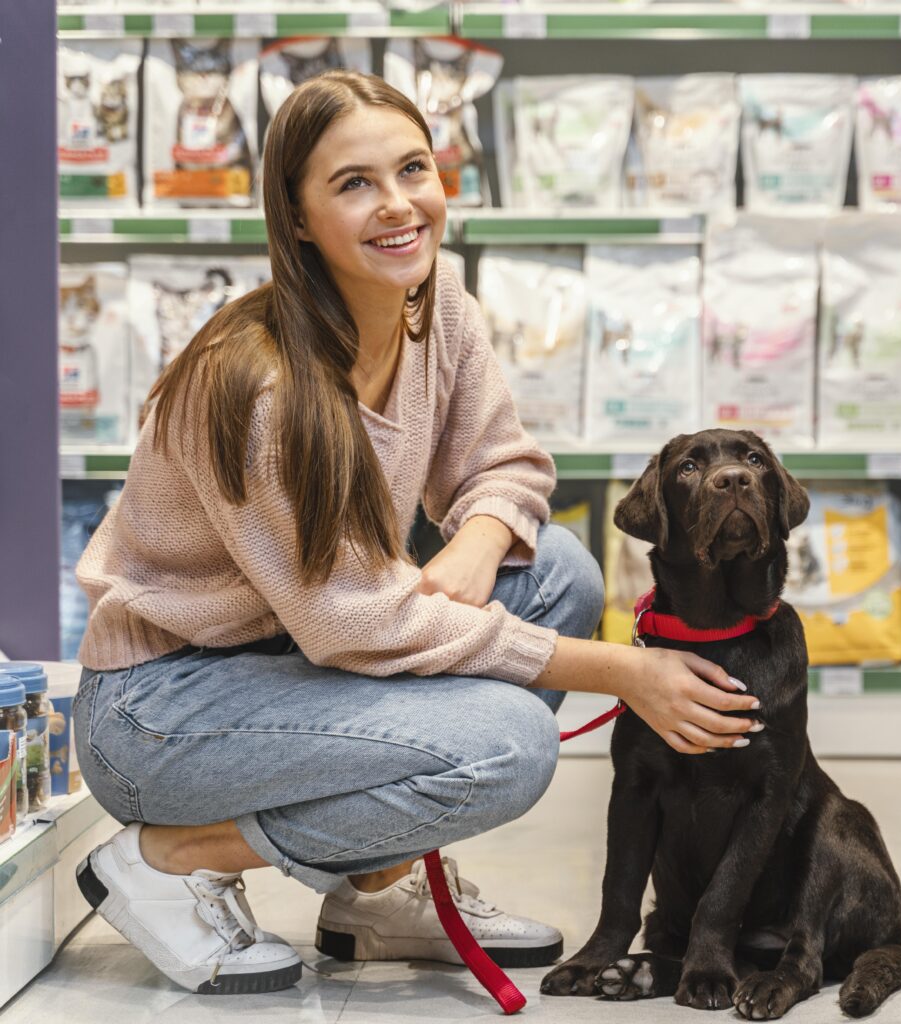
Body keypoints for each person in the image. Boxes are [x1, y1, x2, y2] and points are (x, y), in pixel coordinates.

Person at [71, 71, 761, 997]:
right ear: (298, 217)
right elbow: (355, 623)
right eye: (354, 183)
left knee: (552, 568)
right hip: (165, 712)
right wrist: (620, 671)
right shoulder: (257, 388)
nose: (398, 205)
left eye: (413, 169)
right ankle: (171, 856)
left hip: (293, 652)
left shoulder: (433, 308)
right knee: (511, 745)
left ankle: (377, 889)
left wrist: (476, 541)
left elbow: (508, 468)